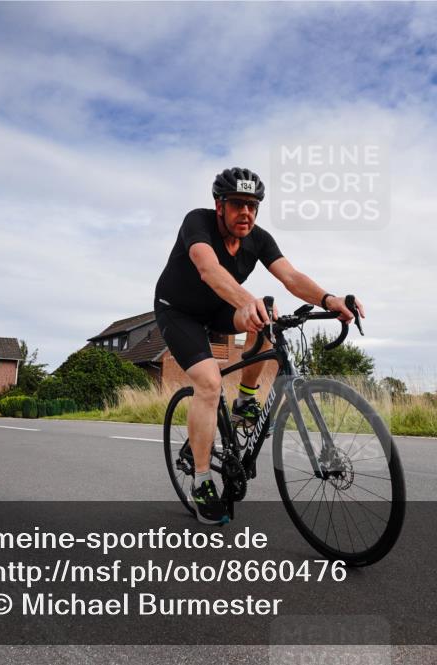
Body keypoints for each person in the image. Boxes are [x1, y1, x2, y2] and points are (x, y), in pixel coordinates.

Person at [155, 167, 364, 525]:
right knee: (208, 382)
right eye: (237, 204)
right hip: (180, 312)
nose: (246, 213)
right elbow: (208, 269)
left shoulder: (259, 239)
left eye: (253, 205)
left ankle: (246, 401)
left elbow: (291, 277)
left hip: (221, 309)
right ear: (219, 205)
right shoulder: (198, 223)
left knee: (267, 314)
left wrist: (329, 299)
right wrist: (245, 299)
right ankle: (203, 482)